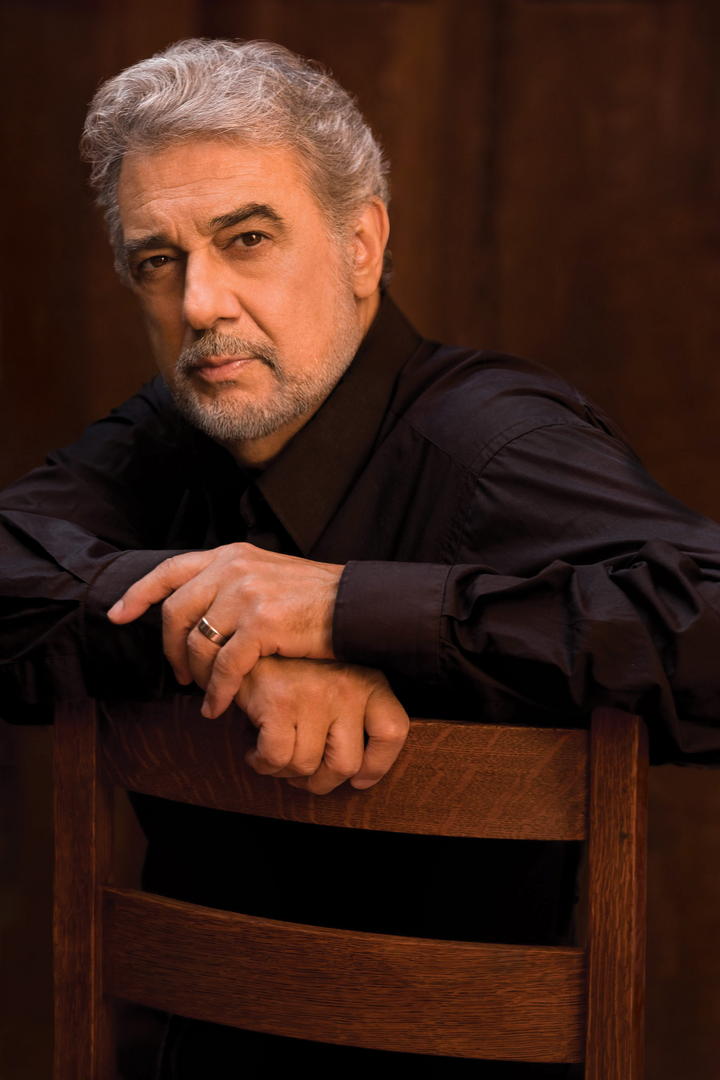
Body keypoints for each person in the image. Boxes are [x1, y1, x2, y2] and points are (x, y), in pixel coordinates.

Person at [3, 37, 720, 1078]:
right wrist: (213, 626)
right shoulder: (176, 429)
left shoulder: (495, 445)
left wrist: (342, 611)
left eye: (247, 239)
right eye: (160, 260)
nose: (199, 304)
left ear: (361, 246)